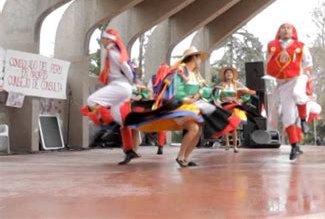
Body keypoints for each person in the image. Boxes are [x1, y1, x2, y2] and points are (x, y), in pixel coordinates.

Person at [122, 47, 240, 167]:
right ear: (194, 57)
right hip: (181, 105)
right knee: (194, 129)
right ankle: (180, 156)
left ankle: (185, 158)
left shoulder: (196, 74)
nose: (200, 61)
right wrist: (187, 99)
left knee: (198, 131)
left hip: (195, 105)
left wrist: (199, 94)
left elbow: (207, 88)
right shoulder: (179, 71)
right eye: (199, 58)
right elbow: (175, 91)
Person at [80, 29, 136, 161]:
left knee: (91, 100)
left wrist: (131, 81)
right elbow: (126, 66)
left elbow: (125, 66)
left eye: (103, 38)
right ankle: (129, 150)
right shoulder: (115, 51)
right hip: (123, 88)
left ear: (109, 39)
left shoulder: (112, 52)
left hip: (119, 86)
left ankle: (110, 124)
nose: (102, 41)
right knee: (121, 121)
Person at [266, 23, 313, 160]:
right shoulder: (272, 45)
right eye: (282, 28)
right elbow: (269, 62)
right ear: (278, 32)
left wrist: (304, 73)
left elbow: (308, 63)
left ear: (293, 32)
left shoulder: (300, 46)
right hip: (283, 82)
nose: (286, 30)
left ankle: (303, 120)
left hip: (298, 77)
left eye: (289, 28)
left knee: (298, 94)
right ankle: (294, 146)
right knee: (288, 116)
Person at [213, 66, 255, 153]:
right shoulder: (222, 84)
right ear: (224, 75)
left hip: (234, 106)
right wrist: (220, 101)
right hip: (225, 106)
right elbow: (215, 95)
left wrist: (239, 100)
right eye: (227, 73)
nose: (228, 74)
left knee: (234, 125)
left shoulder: (236, 84)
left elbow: (248, 92)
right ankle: (227, 143)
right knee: (226, 125)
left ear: (233, 75)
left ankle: (235, 146)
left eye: (230, 73)